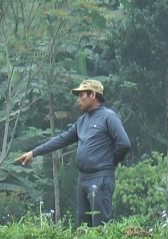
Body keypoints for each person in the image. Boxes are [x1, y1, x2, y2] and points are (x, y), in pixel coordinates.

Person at [15, 79, 131, 227]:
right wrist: (34, 152)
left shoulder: (108, 117)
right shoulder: (82, 121)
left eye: (81, 95)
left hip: (100, 178)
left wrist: (112, 161)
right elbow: (61, 139)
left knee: (101, 225)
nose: (78, 100)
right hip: (83, 178)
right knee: (83, 226)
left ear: (93, 95)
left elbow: (124, 143)